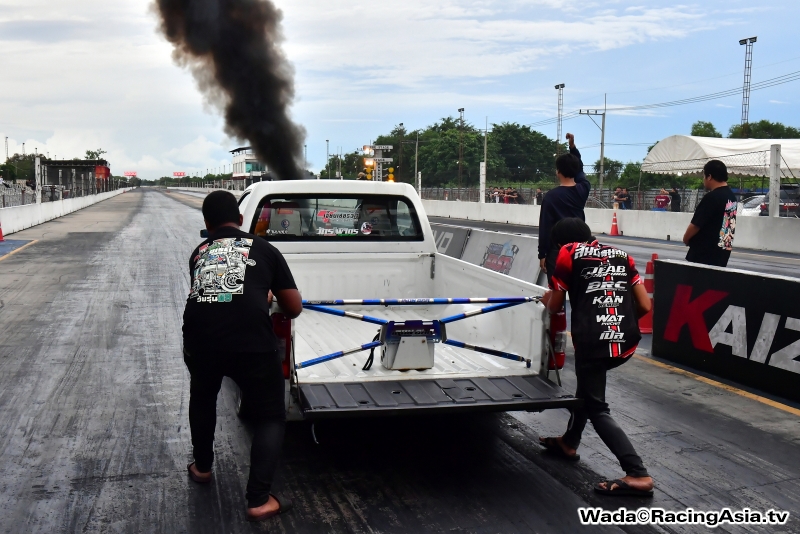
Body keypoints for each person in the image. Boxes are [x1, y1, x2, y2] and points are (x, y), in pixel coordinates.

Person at [182, 191, 303, 522]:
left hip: (199, 340)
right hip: (251, 342)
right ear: (239, 219)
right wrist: (267, 297)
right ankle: (258, 500)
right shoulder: (264, 249)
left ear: (207, 223)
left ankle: (202, 468)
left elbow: (214, 295)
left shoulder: (199, 252)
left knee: (202, 398)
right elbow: (293, 307)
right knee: (270, 417)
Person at [539, 218, 654, 497]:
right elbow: (644, 305)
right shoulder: (621, 255)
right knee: (587, 390)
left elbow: (555, 306)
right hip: (624, 340)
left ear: (560, 243)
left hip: (592, 340)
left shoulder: (567, 252)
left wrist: (545, 299)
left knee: (596, 407)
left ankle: (637, 472)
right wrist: (619, 324)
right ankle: (569, 442)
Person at [538, 133, 590, 283]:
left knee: (557, 289)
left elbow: (545, 227)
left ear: (558, 172)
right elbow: (579, 169)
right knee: (578, 289)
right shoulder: (583, 189)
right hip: (580, 248)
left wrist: (542, 254)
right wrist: (572, 147)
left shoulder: (551, 197)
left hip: (558, 250)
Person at [682, 160, 737, 267]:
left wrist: (686, 239)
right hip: (722, 254)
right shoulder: (732, 197)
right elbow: (729, 228)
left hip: (703, 254)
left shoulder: (711, 198)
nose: (703, 180)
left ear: (709, 176)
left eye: (704, 176)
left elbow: (696, 225)